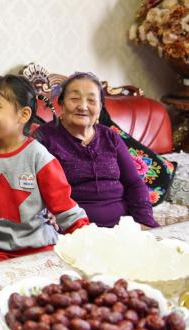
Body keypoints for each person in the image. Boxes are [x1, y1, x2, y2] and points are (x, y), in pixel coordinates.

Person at [0, 75, 89, 263]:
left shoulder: (39, 157)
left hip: (39, 248)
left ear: (24, 115)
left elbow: (64, 207)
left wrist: (89, 238)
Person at [35, 72, 159, 228]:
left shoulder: (110, 137)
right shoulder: (44, 138)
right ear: (61, 104)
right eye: (74, 99)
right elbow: (34, 190)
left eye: (92, 100)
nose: (83, 106)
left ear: (100, 108)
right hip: (75, 228)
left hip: (124, 226)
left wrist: (144, 222)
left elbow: (134, 183)